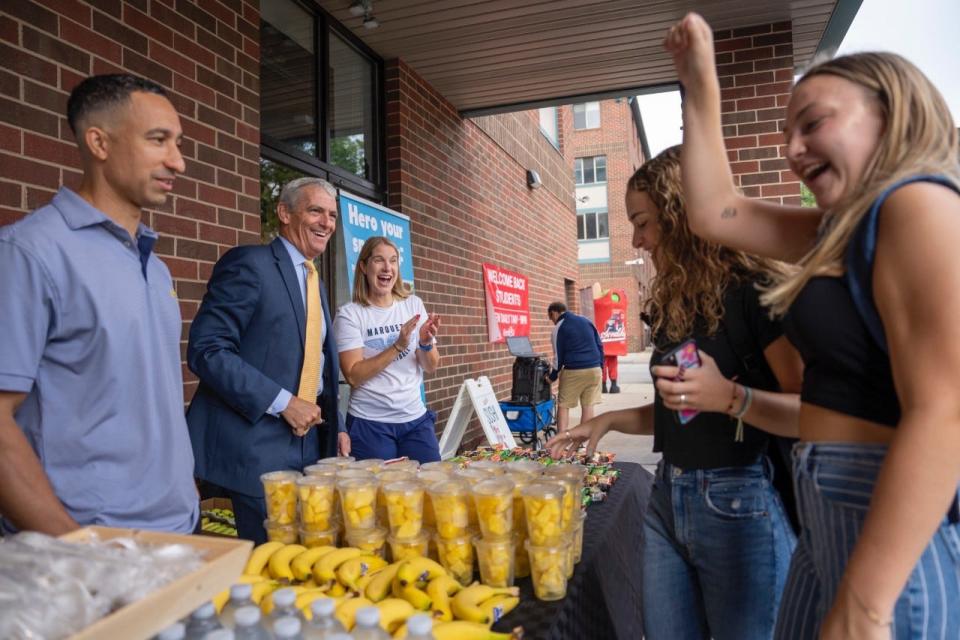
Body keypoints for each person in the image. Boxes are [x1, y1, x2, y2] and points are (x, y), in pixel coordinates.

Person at [665, 13, 960, 639]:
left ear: (893, 112)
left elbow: (947, 410)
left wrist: (865, 607)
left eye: (814, 123)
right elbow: (717, 212)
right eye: (786, 132)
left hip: (884, 536)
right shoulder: (843, 227)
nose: (793, 149)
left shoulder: (918, 205)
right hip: (826, 522)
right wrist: (697, 85)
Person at [547, 146, 804, 640]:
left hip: (740, 499)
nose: (636, 239)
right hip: (667, 495)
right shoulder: (673, 299)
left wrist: (732, 397)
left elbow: (813, 413)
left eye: (642, 222)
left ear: (680, 214)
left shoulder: (753, 290)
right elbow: (682, 409)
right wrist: (605, 422)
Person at [0, 74, 198, 534]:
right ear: (99, 143)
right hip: (89, 546)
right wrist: (76, 549)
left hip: (175, 531)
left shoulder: (156, 266)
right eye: (158, 141)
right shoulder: (30, 253)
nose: (178, 161)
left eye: (178, 143)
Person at [186, 177, 348, 544]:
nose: (326, 223)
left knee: (301, 554)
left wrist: (336, 424)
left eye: (332, 215)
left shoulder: (313, 279)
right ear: (284, 213)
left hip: (310, 443)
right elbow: (207, 350)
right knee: (269, 561)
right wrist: (283, 402)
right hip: (255, 444)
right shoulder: (250, 265)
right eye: (316, 211)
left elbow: (315, 361)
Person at [334, 236, 441, 462]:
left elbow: (431, 366)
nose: (387, 268)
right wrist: (397, 346)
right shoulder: (350, 314)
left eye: (393, 261)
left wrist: (425, 343)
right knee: (379, 496)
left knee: (431, 487)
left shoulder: (413, 305)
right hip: (369, 424)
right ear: (363, 266)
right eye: (379, 260)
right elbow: (353, 375)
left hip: (415, 420)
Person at [546, 302, 604, 434]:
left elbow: (557, 357)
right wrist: (600, 367)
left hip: (574, 370)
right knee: (588, 405)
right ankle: (581, 443)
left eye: (551, 318)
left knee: (563, 405)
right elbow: (600, 346)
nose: (552, 322)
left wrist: (552, 377)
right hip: (595, 369)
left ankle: (561, 441)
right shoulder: (586, 321)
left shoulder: (558, 328)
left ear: (554, 313)